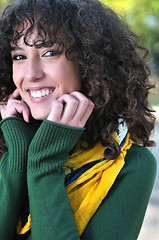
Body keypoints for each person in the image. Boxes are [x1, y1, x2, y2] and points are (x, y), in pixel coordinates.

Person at [0, 0, 157, 239]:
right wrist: (17, 156)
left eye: (49, 52)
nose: (31, 74)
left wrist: (45, 162)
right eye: (19, 56)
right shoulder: (7, 141)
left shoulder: (131, 165)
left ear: (88, 63)